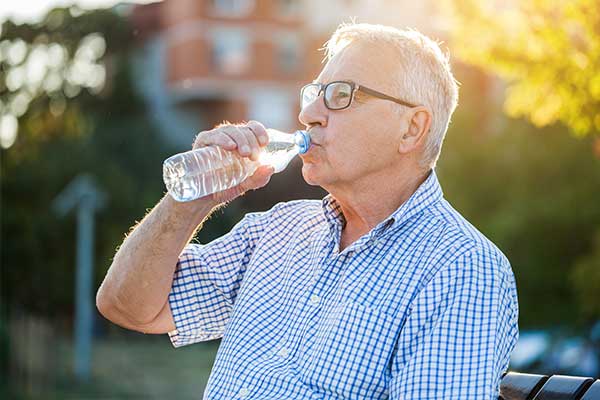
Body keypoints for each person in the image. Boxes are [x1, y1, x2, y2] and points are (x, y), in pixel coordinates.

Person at [97, 23, 519, 399]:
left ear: (411, 128)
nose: (307, 114)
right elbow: (127, 306)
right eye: (314, 94)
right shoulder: (277, 230)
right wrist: (191, 201)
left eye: (340, 95)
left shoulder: (462, 268)